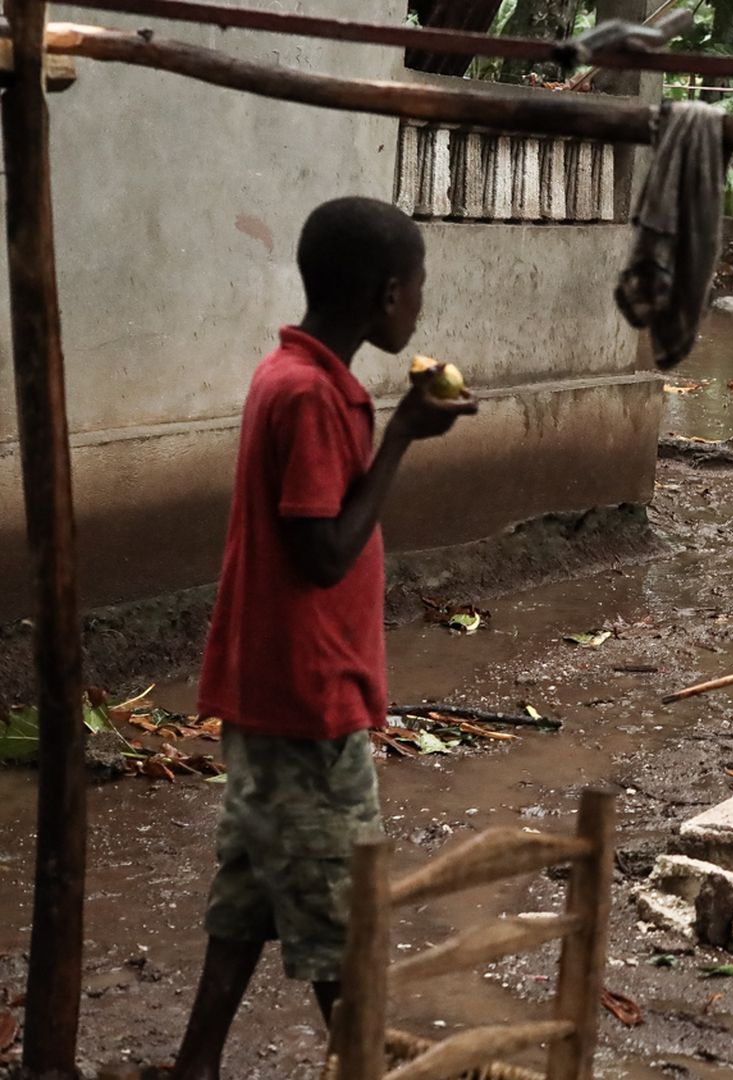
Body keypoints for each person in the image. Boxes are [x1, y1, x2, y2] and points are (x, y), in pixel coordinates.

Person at [167, 197, 476, 1080]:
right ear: (387, 296)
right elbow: (324, 553)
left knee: (253, 893)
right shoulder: (310, 396)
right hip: (306, 697)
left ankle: (196, 1064)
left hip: (276, 688)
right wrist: (405, 439)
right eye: (416, 289)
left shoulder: (295, 375)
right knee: (345, 919)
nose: (419, 306)